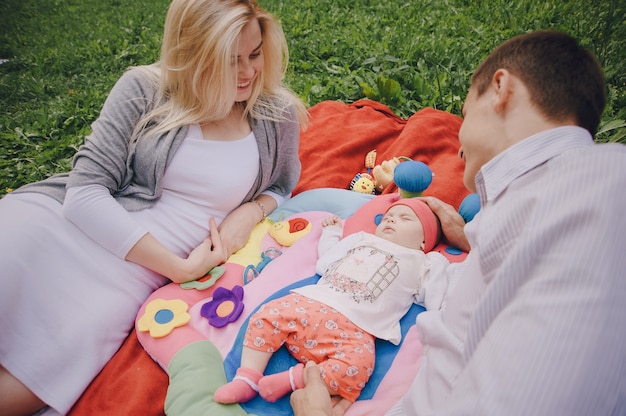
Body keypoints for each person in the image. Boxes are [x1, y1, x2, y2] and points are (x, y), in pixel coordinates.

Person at [290, 29, 626, 416]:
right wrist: (472, 239)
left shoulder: (599, 188)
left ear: (501, 89)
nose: (460, 142)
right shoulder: (553, 200)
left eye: (464, 115)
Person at [0, 0, 308, 414]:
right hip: (61, 230)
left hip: (127, 278)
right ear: (192, 54)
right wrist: (179, 268)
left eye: (254, 53)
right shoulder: (145, 88)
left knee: (36, 380)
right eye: (229, 60)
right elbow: (84, 193)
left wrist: (248, 213)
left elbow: (283, 185)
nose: (249, 72)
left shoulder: (274, 112)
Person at [214, 199, 444, 409]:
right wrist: (332, 233)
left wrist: (440, 265)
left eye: (405, 218)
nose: (391, 219)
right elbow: (326, 262)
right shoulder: (362, 239)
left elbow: (436, 298)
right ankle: (247, 377)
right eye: (387, 217)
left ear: (425, 241)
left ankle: (292, 379)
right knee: (268, 314)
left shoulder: (422, 263)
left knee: (359, 366)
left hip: (357, 329)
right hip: (313, 303)